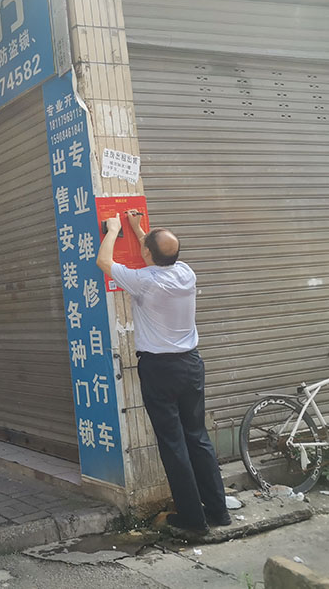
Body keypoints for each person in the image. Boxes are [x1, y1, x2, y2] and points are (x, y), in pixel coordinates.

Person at [97, 211, 230, 535]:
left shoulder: (145, 281)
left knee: (173, 443)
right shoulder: (186, 273)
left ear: (147, 254)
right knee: (197, 437)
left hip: (160, 369)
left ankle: (192, 520)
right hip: (191, 365)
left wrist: (113, 229)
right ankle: (218, 511)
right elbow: (157, 252)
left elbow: (104, 261)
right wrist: (138, 229)